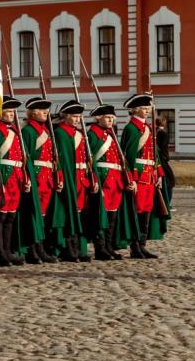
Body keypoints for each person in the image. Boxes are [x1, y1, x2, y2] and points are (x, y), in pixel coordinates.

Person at [87, 104, 135, 261]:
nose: (110, 120)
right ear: (98, 118)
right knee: (102, 215)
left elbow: (121, 158)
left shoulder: (111, 134)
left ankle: (108, 246)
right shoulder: (93, 135)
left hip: (115, 179)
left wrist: (129, 178)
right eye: (107, 117)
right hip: (103, 177)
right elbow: (90, 159)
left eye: (112, 118)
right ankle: (100, 248)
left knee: (112, 216)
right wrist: (95, 180)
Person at [123, 93, 168, 258]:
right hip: (139, 178)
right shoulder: (131, 128)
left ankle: (142, 245)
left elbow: (154, 154)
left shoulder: (148, 128)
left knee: (146, 212)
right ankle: (135, 247)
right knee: (137, 212)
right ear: (135, 110)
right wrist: (132, 179)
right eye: (143, 108)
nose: (147, 110)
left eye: (148, 108)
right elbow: (129, 156)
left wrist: (159, 174)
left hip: (150, 177)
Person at [53, 99, 96, 262]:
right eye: (74, 116)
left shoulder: (78, 133)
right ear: (65, 116)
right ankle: (69, 249)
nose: (77, 119)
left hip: (81, 178)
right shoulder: (61, 133)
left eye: (79, 116)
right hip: (71, 177)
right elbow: (64, 160)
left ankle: (80, 249)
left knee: (81, 214)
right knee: (70, 214)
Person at [0, 97, 30, 266]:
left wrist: (25, 177)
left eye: (13, 112)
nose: (11, 114)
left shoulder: (15, 130)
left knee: (11, 217)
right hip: (4, 176)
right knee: (1, 217)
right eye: (8, 111)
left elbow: (23, 156)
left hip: (16, 176)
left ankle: (7, 250)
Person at [20, 97, 60, 264]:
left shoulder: (45, 130)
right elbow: (26, 157)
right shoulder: (29, 131)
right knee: (34, 215)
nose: (46, 112)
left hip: (47, 177)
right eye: (42, 109)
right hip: (36, 176)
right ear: (33, 112)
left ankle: (41, 248)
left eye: (46, 109)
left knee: (43, 216)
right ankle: (33, 249)